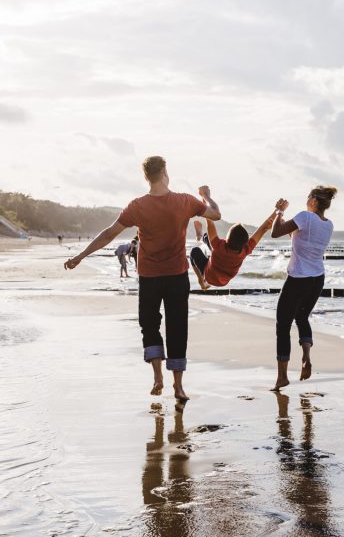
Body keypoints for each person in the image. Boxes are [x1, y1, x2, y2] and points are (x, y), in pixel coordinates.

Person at [64, 155, 221, 407]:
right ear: (166, 173)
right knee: (177, 328)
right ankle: (178, 387)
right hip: (177, 275)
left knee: (149, 325)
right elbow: (216, 214)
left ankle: (158, 377)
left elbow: (109, 234)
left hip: (149, 277)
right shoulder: (184, 201)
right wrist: (206, 195)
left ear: (146, 177)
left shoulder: (137, 206)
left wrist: (82, 256)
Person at [270, 186, 337, 391]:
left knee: (283, 324)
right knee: (302, 317)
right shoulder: (328, 225)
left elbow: (275, 232)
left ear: (314, 201)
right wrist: (284, 218)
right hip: (317, 278)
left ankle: (282, 377)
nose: (306, 199)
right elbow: (294, 234)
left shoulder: (305, 217)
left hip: (298, 278)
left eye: (309, 196)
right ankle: (306, 358)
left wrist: (279, 211)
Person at [189, 212, 275, 290]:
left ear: (227, 238)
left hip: (209, 276)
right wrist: (279, 212)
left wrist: (205, 200)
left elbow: (209, 222)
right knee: (208, 238)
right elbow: (263, 228)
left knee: (194, 251)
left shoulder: (218, 246)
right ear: (245, 243)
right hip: (223, 281)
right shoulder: (245, 250)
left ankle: (201, 281)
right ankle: (201, 237)